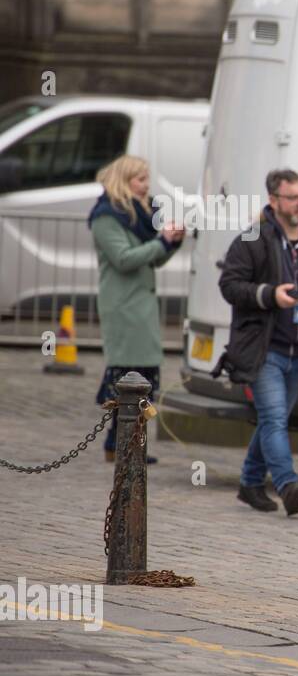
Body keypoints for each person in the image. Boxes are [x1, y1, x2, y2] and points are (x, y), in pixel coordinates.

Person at [213, 169, 298, 516]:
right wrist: (268, 295)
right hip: (265, 350)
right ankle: (286, 483)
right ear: (274, 201)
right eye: (293, 198)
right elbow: (230, 285)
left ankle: (250, 483)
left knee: (271, 420)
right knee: (276, 418)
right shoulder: (253, 238)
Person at [89, 155, 185, 462]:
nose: (147, 186)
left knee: (143, 377)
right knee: (129, 375)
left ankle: (124, 445)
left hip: (140, 305)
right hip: (123, 306)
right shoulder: (106, 216)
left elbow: (152, 258)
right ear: (125, 180)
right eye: (140, 179)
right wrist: (161, 241)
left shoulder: (139, 214)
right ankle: (120, 446)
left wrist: (171, 243)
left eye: (147, 179)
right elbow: (124, 258)